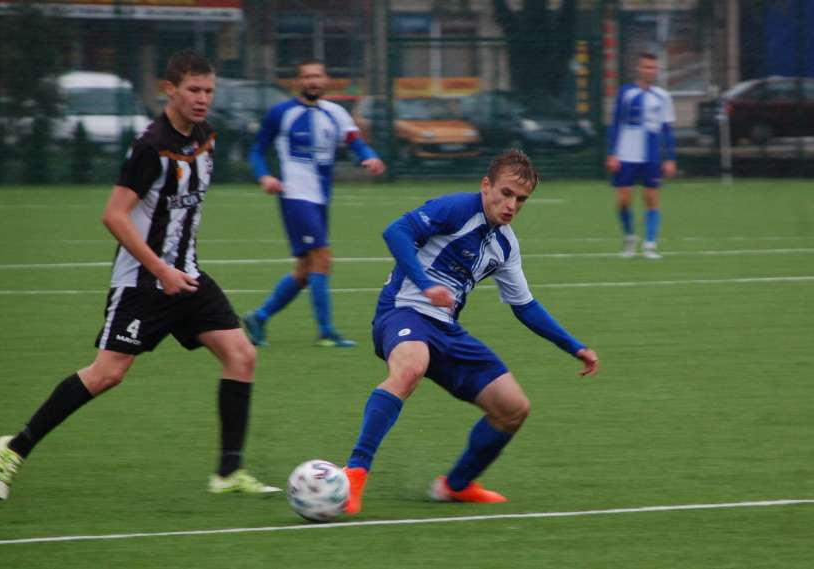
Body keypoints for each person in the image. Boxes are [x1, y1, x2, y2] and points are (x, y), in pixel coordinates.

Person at [0, 50, 279, 500]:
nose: (202, 99)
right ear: (170, 90)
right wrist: (160, 269)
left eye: (209, 91)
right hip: (143, 282)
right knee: (108, 374)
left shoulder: (206, 137)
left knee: (242, 355)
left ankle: (228, 473)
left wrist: (177, 267)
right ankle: (15, 448)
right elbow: (114, 216)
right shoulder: (150, 146)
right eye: (194, 90)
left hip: (188, 276)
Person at [342, 149, 599, 514]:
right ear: (485, 186)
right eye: (506, 193)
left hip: (445, 329)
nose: (512, 205)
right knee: (411, 367)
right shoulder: (458, 209)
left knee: (513, 408)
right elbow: (395, 231)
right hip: (402, 312)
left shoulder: (506, 245)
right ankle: (354, 473)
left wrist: (575, 346)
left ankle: (455, 485)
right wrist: (425, 283)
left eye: (521, 199)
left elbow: (524, 306)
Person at [244, 59, 385, 348]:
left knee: (305, 270)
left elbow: (355, 141)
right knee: (323, 258)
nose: (313, 81)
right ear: (298, 81)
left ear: (326, 80)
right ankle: (326, 331)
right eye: (307, 76)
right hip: (295, 195)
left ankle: (259, 317)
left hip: (320, 197)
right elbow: (257, 150)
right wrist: (264, 177)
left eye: (318, 76)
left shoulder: (335, 113)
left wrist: (368, 156)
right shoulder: (281, 113)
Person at [606, 52, 676, 259]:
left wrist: (670, 158)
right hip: (626, 154)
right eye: (646, 67)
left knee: (651, 198)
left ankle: (650, 244)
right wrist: (612, 153)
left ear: (657, 71)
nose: (650, 71)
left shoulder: (663, 97)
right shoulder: (625, 93)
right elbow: (616, 123)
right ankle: (629, 238)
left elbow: (667, 130)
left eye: (653, 68)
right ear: (638, 69)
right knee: (623, 200)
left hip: (651, 156)